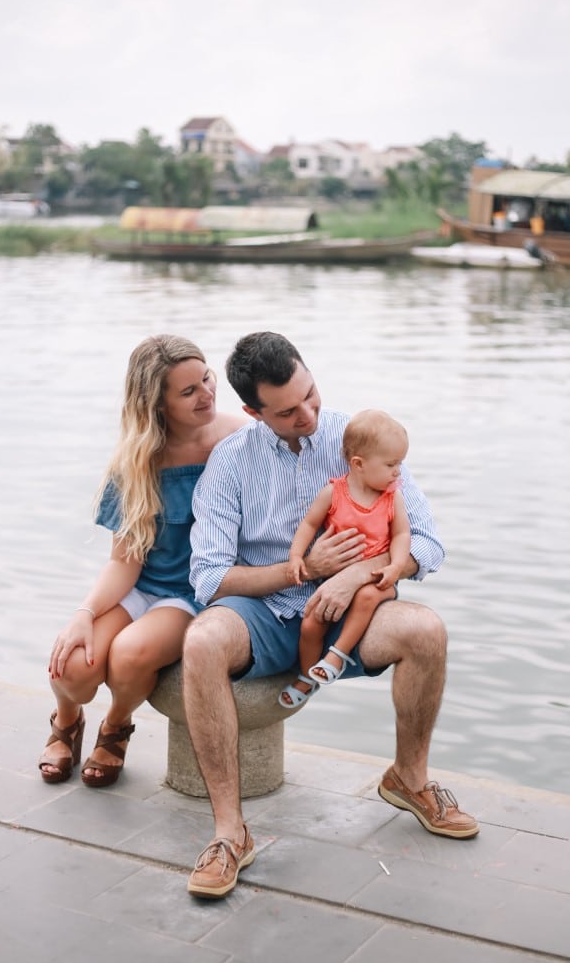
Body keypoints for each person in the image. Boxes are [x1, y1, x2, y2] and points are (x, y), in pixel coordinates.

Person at [183, 331, 478, 900]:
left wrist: (354, 574)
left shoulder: (360, 439)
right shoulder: (230, 462)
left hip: (357, 610)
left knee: (425, 629)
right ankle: (229, 834)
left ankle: (409, 780)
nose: (310, 415)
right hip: (265, 612)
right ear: (252, 411)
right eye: (289, 411)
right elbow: (208, 578)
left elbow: (430, 546)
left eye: (311, 394)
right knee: (201, 641)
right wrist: (305, 568)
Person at [38, 335, 242, 788]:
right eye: (188, 391)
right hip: (139, 586)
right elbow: (124, 562)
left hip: (191, 593)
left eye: (207, 379)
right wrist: (84, 614)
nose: (207, 393)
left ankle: (115, 726)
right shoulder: (137, 460)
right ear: (157, 405)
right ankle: (67, 720)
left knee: (128, 656)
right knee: (72, 663)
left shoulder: (238, 439)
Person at [279, 409, 411, 708]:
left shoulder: (393, 497)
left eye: (399, 464)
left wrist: (395, 566)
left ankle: (337, 655)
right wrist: (297, 556)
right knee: (311, 623)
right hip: (333, 582)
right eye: (391, 464)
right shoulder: (333, 492)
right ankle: (307, 675)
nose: (398, 472)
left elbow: (402, 534)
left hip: (376, 580)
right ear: (358, 464)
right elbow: (309, 524)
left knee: (366, 596)